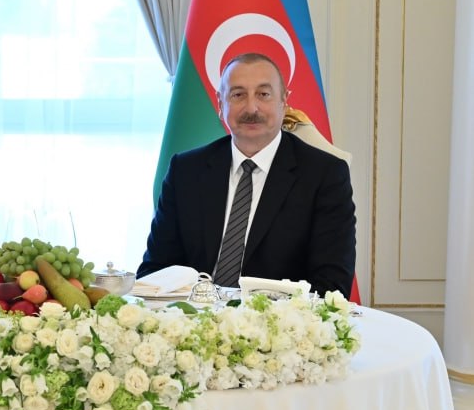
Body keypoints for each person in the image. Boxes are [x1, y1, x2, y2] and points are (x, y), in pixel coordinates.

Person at [138, 52, 356, 296]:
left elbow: (331, 287)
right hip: (193, 314)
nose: (252, 108)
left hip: (276, 318)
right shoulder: (186, 171)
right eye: (238, 95)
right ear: (221, 104)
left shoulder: (325, 175)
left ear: (284, 101)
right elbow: (154, 273)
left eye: (263, 94)